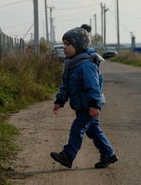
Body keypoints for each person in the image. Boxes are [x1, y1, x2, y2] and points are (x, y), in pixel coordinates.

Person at [50, 24, 118, 169]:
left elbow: (94, 87)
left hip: (89, 106)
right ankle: (109, 154)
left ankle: (68, 155)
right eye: (64, 44)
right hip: (81, 105)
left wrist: (94, 104)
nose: (64, 47)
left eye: (68, 44)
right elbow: (65, 86)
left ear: (79, 46)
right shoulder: (70, 65)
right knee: (93, 131)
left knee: (77, 128)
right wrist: (60, 100)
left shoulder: (86, 65)